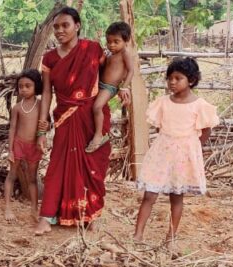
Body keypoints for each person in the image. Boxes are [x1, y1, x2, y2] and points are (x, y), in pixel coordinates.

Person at [33, 7, 112, 235]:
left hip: (92, 117)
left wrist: (121, 88)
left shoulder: (92, 49)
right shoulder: (49, 58)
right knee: (57, 166)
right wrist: (42, 129)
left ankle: (92, 215)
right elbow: (46, 93)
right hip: (65, 117)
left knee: (92, 166)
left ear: (77, 26)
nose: (60, 30)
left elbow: (110, 75)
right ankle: (46, 217)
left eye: (65, 25)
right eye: (56, 27)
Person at [133, 58, 218, 243]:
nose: (172, 82)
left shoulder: (199, 105)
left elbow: (206, 130)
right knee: (149, 194)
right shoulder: (163, 102)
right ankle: (138, 235)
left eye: (178, 78)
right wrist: (169, 142)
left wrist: (191, 147)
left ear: (191, 80)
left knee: (176, 196)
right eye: (169, 78)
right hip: (161, 153)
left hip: (183, 157)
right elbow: (160, 128)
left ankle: (170, 237)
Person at [86, 22, 136, 152]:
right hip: (99, 84)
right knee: (90, 106)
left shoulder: (124, 53)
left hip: (109, 87)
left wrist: (124, 87)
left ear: (126, 41)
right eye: (109, 42)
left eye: (116, 42)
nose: (111, 45)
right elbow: (103, 66)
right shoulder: (110, 53)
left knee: (97, 107)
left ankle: (98, 135)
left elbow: (131, 71)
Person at [4, 69, 44, 222]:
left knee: (32, 178)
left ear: (36, 86)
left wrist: (44, 137)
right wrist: (10, 150)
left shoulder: (41, 105)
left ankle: (34, 209)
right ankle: (7, 207)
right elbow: (12, 128)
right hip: (18, 144)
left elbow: (45, 124)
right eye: (21, 86)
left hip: (34, 146)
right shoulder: (17, 108)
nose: (24, 89)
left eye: (28, 86)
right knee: (11, 175)